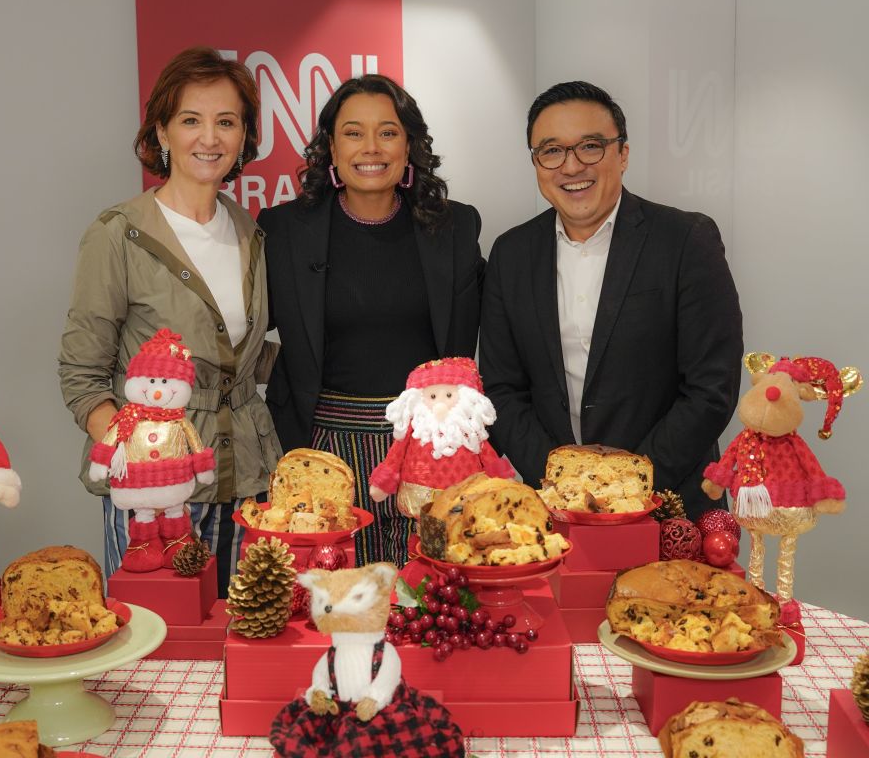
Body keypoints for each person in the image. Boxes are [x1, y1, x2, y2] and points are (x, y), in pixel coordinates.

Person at [58, 47, 281, 596]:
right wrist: (143, 460)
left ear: (243, 137)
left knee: (244, 636)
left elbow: (238, 358)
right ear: (161, 131)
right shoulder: (118, 233)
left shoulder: (249, 231)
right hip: (155, 497)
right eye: (191, 120)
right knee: (158, 649)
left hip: (247, 477)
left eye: (226, 122)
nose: (210, 138)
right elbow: (82, 375)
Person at [480, 81, 743, 519]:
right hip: (553, 510)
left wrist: (627, 487)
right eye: (551, 150)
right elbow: (503, 390)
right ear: (536, 162)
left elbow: (711, 388)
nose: (571, 165)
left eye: (590, 146)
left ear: (622, 154)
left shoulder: (684, 241)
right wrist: (560, 481)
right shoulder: (511, 254)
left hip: (670, 506)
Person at [259, 74, 485, 567]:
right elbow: (246, 328)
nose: (371, 148)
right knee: (336, 603)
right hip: (323, 444)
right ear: (331, 149)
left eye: (387, 132)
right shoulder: (284, 231)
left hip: (429, 446)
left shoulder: (454, 227)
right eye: (353, 132)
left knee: (428, 595)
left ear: (409, 146)